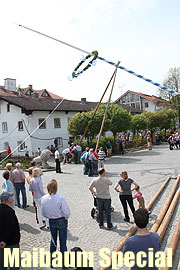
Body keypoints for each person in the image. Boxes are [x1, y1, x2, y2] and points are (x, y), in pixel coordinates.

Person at [41, 179, 70, 268]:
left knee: (53, 242)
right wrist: (65, 217)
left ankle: (52, 262)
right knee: (62, 242)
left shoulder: (44, 198)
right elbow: (66, 212)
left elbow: (43, 212)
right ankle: (64, 264)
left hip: (51, 221)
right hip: (61, 220)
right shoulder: (60, 198)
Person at [0, 191, 20, 270]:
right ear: (8, 199)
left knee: (2, 263)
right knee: (14, 264)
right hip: (11, 242)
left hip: (1, 242)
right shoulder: (10, 212)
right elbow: (10, 228)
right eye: (11, 197)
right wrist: (4, 240)